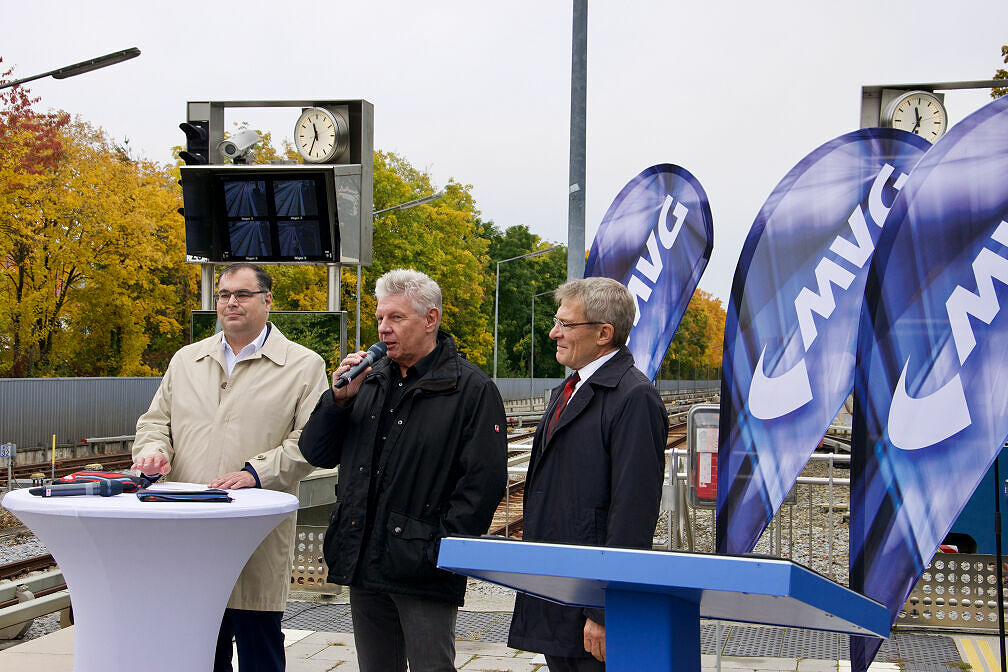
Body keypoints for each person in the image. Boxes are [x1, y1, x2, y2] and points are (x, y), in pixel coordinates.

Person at [299, 268, 507, 672]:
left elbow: (482, 485)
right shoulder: (369, 381)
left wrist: (439, 550)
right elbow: (316, 452)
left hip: (423, 568)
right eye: (380, 318)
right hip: (363, 560)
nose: (384, 329)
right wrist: (337, 400)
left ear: (430, 320)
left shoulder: (470, 390)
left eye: (396, 318)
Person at [131, 262, 329, 672]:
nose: (230, 302)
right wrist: (152, 451)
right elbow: (155, 422)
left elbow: (311, 444)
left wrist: (255, 473)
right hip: (189, 530)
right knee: (196, 652)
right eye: (224, 294)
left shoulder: (303, 365)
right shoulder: (187, 360)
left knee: (260, 649)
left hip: (254, 531)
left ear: (267, 301)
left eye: (242, 294)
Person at [506, 277, 669, 672]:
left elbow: (633, 512)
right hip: (557, 590)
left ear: (603, 333)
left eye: (565, 324)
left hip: (588, 604)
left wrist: (604, 609)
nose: (553, 332)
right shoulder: (568, 389)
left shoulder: (633, 397)